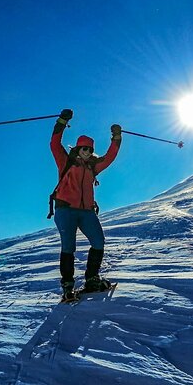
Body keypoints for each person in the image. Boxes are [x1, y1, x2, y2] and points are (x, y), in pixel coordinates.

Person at [50, 108, 122, 301]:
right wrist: (62, 122)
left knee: (98, 241)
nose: (88, 152)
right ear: (78, 148)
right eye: (84, 148)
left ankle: (91, 279)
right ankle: (67, 286)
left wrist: (116, 138)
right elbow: (55, 144)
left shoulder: (92, 166)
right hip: (65, 209)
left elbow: (109, 157)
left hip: (86, 211)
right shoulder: (65, 161)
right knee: (69, 246)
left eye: (90, 149)